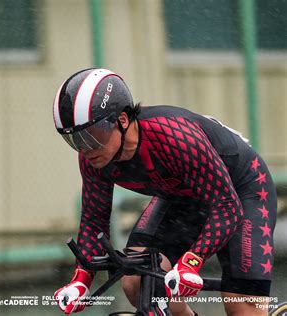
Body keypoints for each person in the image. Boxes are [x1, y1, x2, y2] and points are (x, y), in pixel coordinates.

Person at [52, 68, 277, 316]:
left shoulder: (174, 137)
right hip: (182, 197)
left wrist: (191, 262)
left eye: (92, 136)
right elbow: (94, 221)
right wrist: (80, 281)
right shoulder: (93, 159)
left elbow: (227, 207)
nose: (85, 150)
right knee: (137, 281)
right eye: (75, 140)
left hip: (241, 191)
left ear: (123, 120)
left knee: (242, 306)